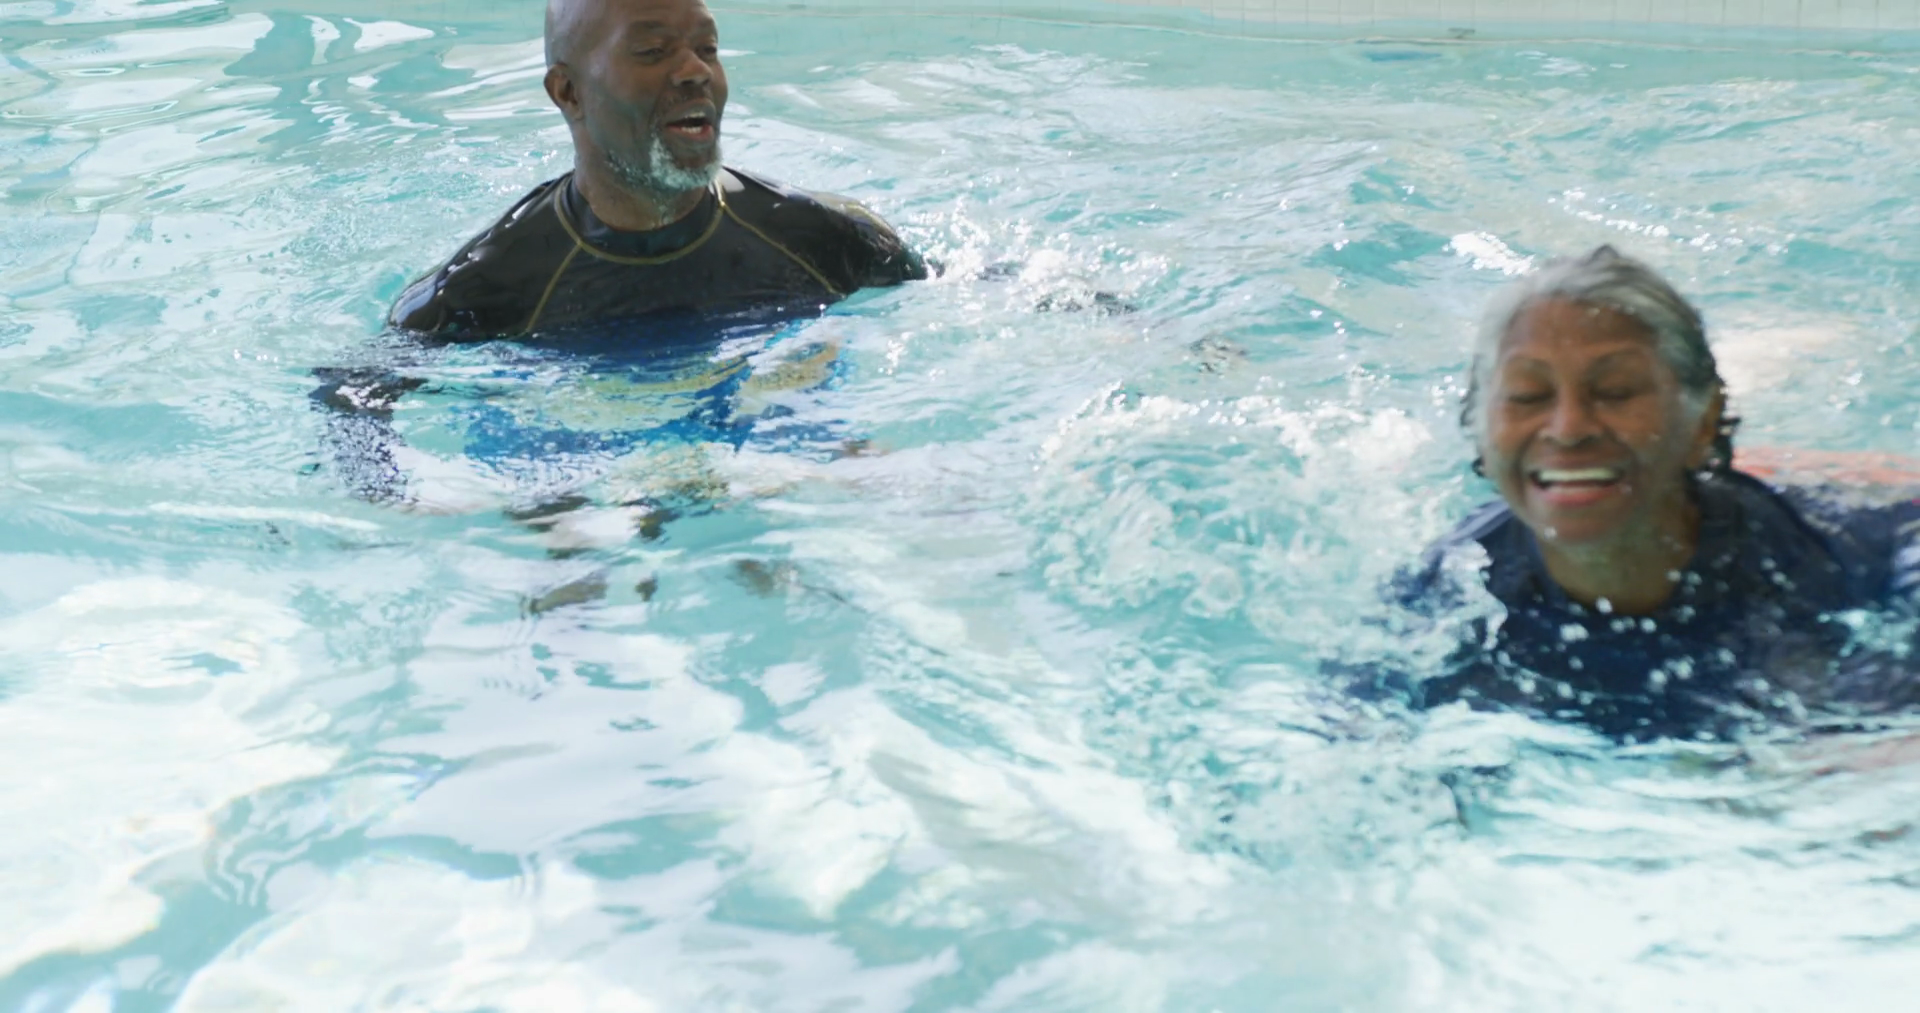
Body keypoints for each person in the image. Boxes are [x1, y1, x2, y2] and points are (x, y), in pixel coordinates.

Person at [1376, 246, 1920, 742]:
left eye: (1615, 391)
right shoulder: (1446, 603)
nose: (1568, 428)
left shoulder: (1832, 562)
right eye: (1528, 395)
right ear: (1480, 429)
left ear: (1703, 421)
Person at [389, 0, 925, 340]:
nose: (696, 71)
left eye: (707, 48)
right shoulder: (484, 292)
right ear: (568, 92)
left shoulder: (829, 240)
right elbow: (360, 404)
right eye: (652, 51)